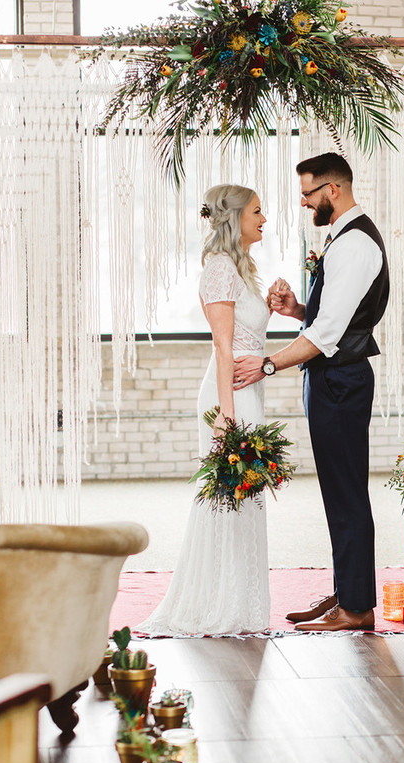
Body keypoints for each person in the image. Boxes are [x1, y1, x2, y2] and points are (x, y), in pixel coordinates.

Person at [234, 152, 389, 632]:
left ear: (332, 190)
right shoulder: (342, 237)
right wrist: (297, 309)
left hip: (340, 382)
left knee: (346, 494)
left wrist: (267, 364)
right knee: (339, 491)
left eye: (307, 193)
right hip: (331, 379)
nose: (303, 202)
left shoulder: (355, 244)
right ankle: (348, 592)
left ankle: (357, 608)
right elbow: (330, 319)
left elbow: (326, 336)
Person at [135, 184, 270, 636]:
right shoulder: (218, 268)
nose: (263, 219)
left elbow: (245, 334)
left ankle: (240, 600)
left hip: (246, 392)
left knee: (244, 496)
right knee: (227, 496)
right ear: (235, 218)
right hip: (229, 396)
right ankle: (218, 601)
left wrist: (273, 306)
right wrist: (227, 415)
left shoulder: (239, 267)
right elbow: (223, 345)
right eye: (256, 211)